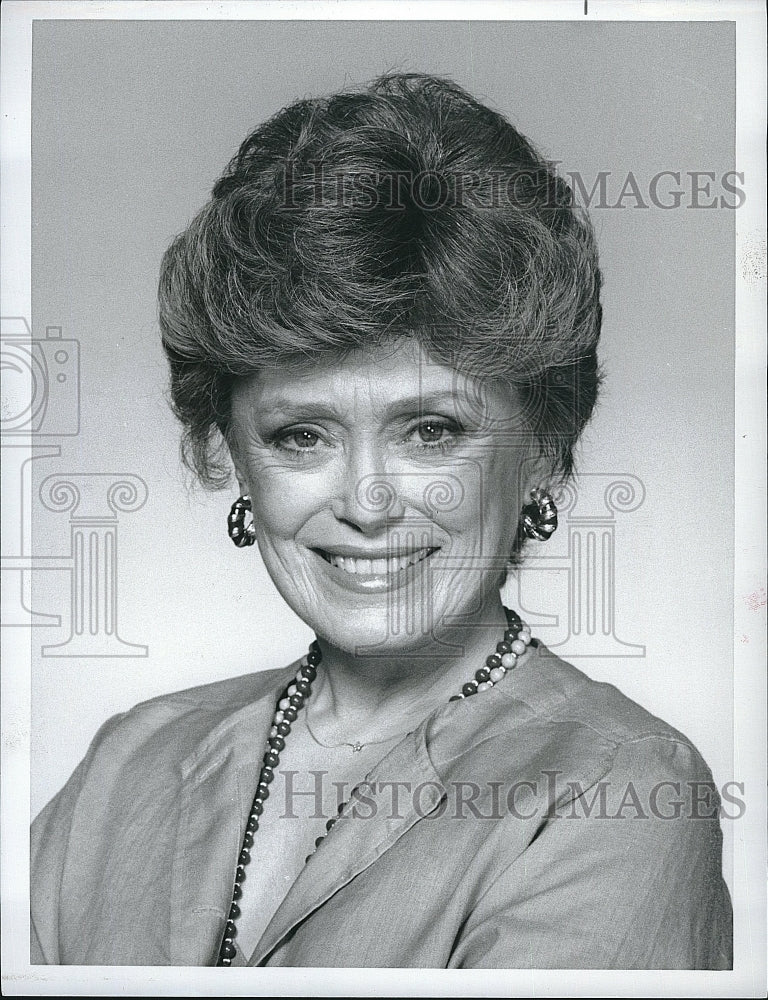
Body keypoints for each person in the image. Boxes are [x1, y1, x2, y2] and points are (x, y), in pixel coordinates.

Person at [30, 72, 732, 969]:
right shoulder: (128, 763)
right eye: (301, 435)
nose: (366, 504)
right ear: (228, 454)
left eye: (431, 431)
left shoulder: (617, 789)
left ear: (547, 445)